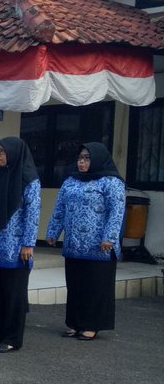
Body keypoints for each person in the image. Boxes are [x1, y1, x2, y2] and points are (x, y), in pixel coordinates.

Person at [47, 142, 125, 341]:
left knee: (95, 287)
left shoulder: (111, 182)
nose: (82, 162)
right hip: (74, 244)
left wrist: (110, 237)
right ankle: (74, 323)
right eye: (80, 158)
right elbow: (59, 209)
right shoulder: (71, 181)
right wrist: (53, 232)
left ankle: (91, 325)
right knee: (75, 286)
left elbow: (116, 212)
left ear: (98, 159)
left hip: (99, 246)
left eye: (87, 158)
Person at [0, 138, 41, 353]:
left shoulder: (28, 181)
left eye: (2, 152)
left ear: (14, 153)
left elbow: (32, 214)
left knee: (13, 296)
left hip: (15, 249)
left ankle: (12, 338)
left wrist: (28, 244)